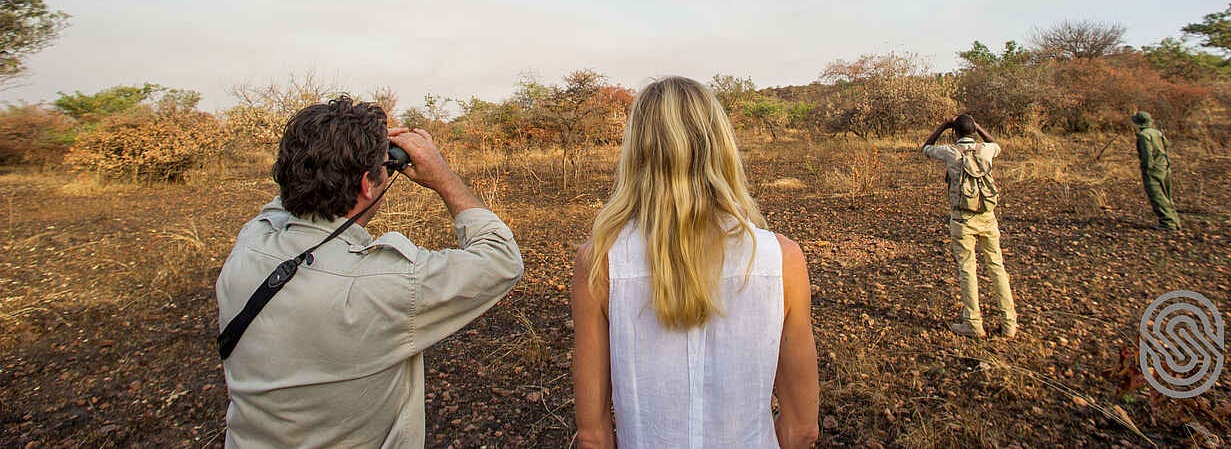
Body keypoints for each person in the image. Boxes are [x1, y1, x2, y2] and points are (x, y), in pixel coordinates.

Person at [216, 96, 523, 448]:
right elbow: (501, 258)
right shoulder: (386, 283)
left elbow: (288, 198)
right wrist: (442, 176)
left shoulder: (250, 243)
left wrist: (340, 144)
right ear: (367, 184)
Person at [571, 76, 820, 449]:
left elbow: (593, 435)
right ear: (721, 147)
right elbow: (802, 429)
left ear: (637, 154)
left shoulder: (600, 263)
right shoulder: (783, 260)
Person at [921, 113, 1017, 340]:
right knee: (997, 267)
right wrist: (978, 126)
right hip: (987, 216)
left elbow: (926, 148)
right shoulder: (985, 150)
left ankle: (973, 322)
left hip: (962, 219)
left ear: (955, 133)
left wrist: (943, 126)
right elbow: (996, 144)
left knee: (967, 269)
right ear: (973, 132)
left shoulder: (951, 152)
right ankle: (1009, 323)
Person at [1132, 111, 1180, 230]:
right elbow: (1167, 145)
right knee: (1166, 195)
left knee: (1157, 196)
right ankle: (1175, 221)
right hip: (1164, 166)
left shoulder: (1143, 136)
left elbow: (1147, 156)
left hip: (1153, 169)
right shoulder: (1157, 133)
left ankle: (1168, 223)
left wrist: (1147, 169)